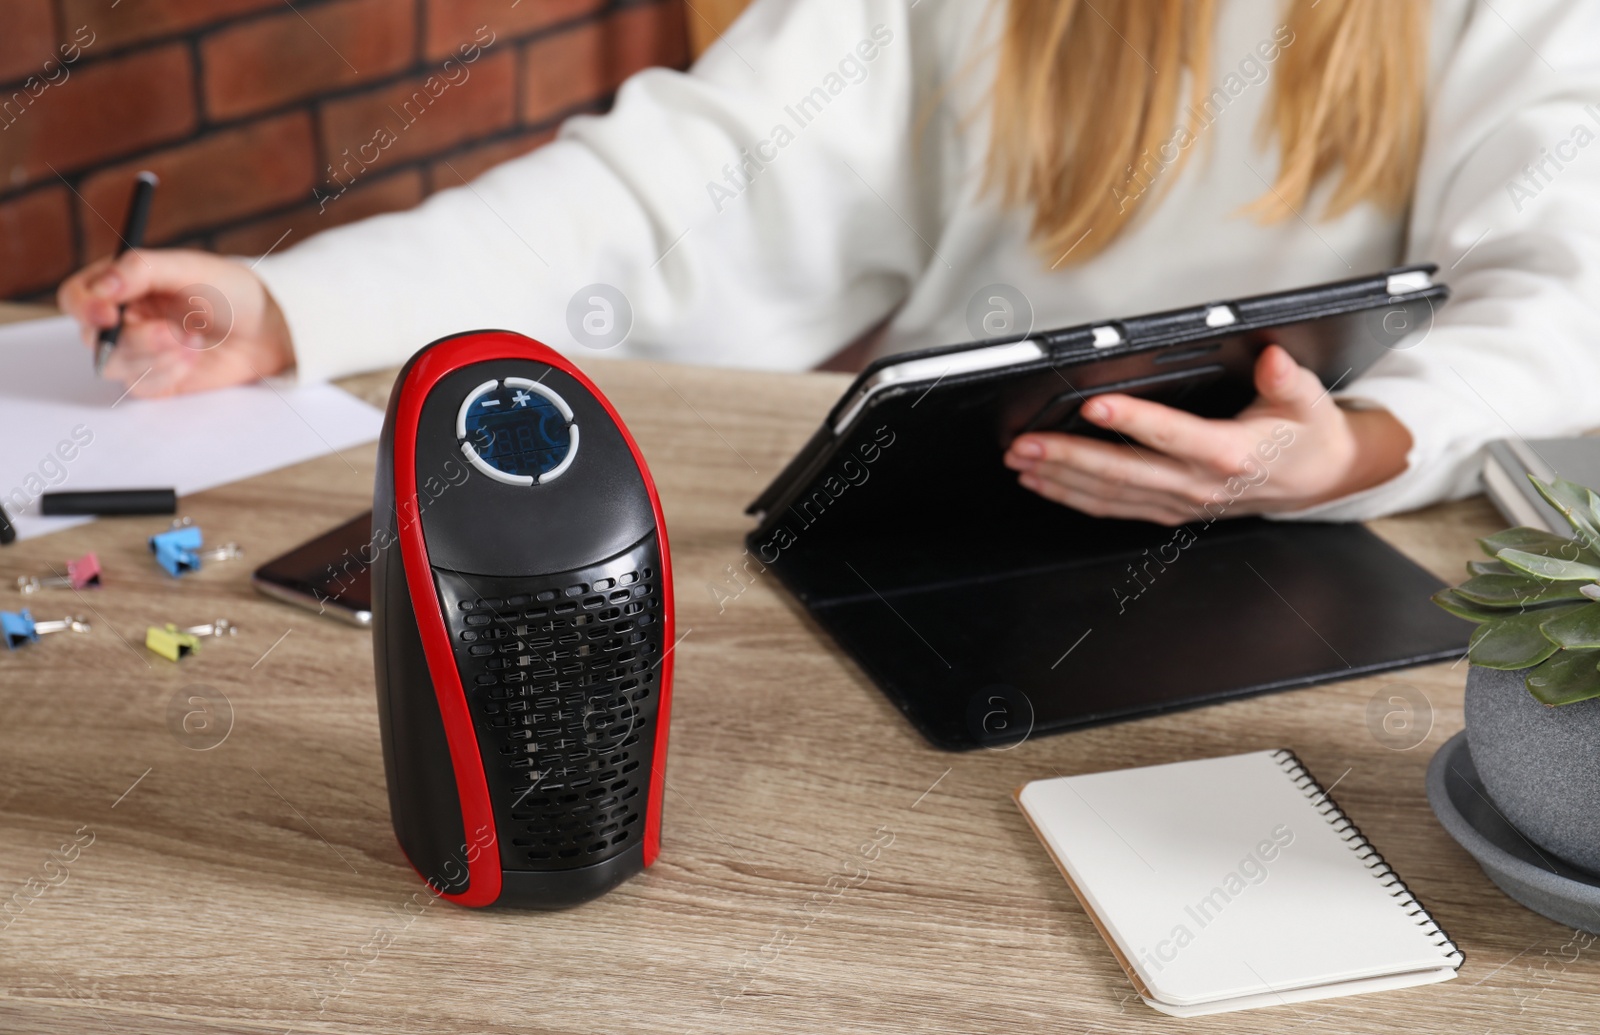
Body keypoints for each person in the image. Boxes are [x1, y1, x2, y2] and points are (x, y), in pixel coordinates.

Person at [57, 0, 1600, 525]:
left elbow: (1569, 283)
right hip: (953, 513)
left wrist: (1360, 451)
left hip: (1334, 549)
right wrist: (301, 305)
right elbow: (686, 182)